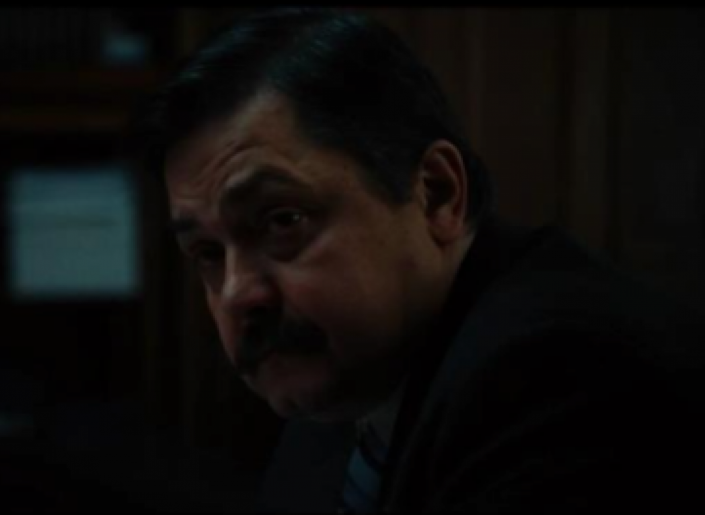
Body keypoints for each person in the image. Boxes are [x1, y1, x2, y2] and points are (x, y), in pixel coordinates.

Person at [132, 7, 705, 513]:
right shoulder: (345, 375)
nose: (237, 293)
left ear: (436, 194)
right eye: (208, 253)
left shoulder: (562, 374)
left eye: (283, 221)